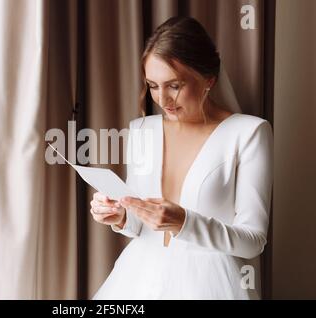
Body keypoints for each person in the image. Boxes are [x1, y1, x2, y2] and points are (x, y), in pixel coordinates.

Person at [90, 16, 273, 299]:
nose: (162, 99)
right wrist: (121, 216)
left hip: (209, 284)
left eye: (174, 85)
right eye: (152, 85)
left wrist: (185, 222)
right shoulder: (141, 130)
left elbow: (253, 241)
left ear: (208, 79)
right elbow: (142, 226)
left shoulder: (248, 133)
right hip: (138, 280)